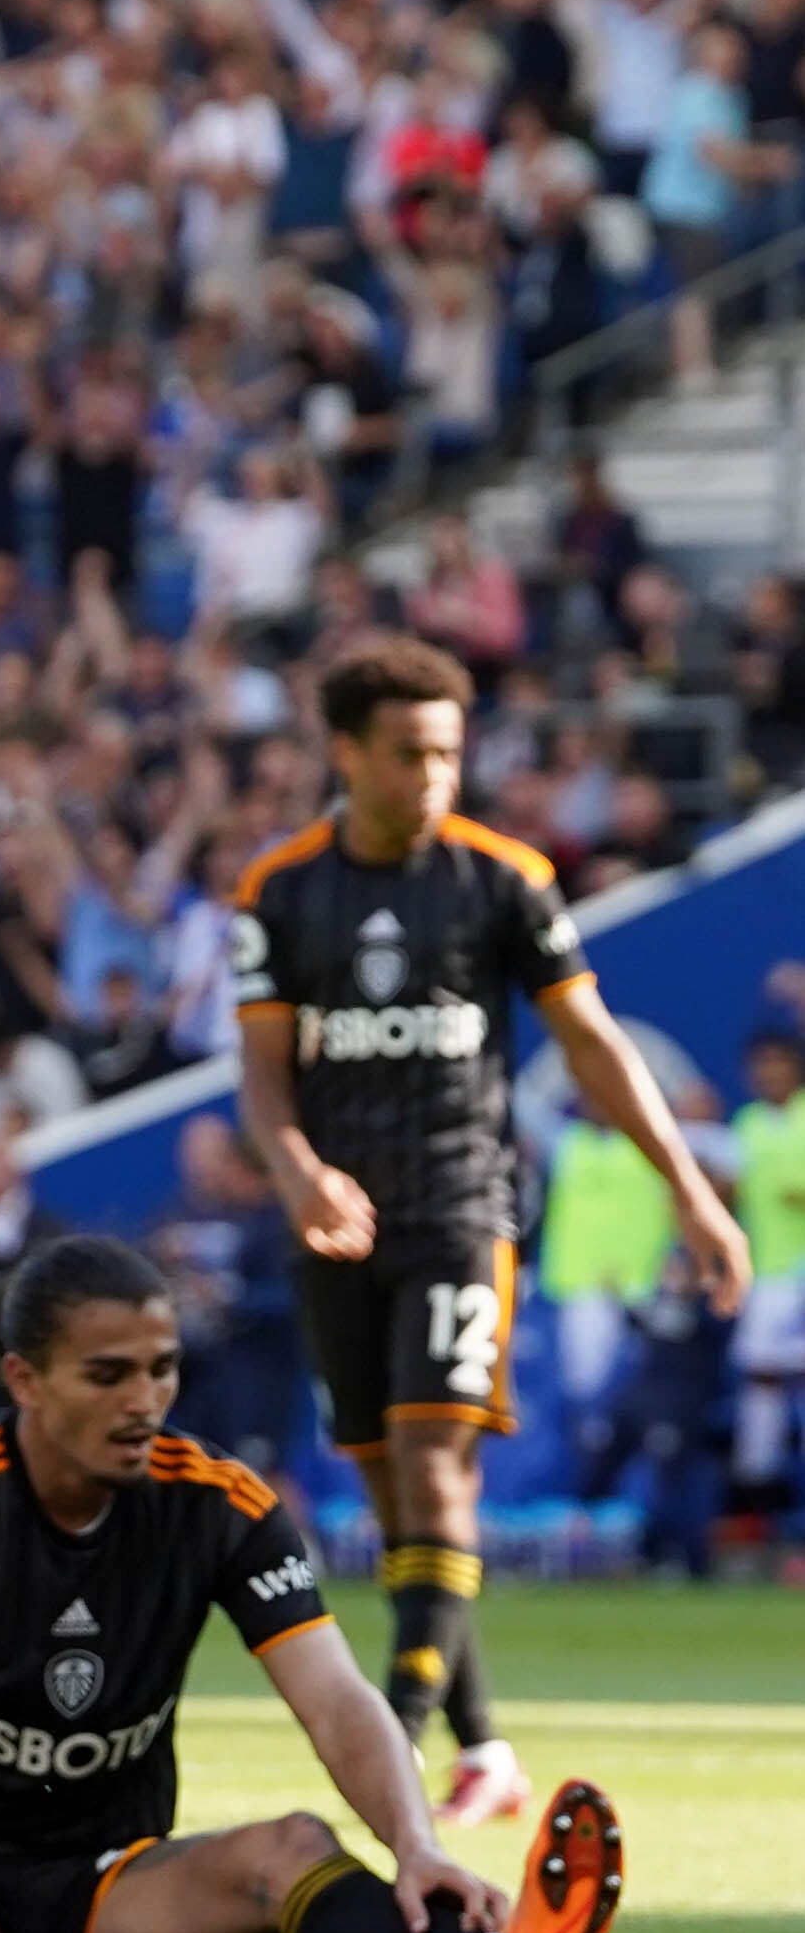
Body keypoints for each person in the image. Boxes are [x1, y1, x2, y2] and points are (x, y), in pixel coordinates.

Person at [0, 1237, 625, 1933]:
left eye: (161, 1369)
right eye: (107, 1375)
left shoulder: (221, 1503)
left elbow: (334, 1701)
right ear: (23, 1378)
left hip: (114, 1895)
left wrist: (416, 1845)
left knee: (293, 1848)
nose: (143, 1400)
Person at [234, 636, 747, 1827]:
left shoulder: (502, 878)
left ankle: (395, 1744)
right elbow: (262, 1074)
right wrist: (298, 1167)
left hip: (463, 1208)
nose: (434, 777)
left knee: (430, 1461)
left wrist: (688, 1185)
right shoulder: (282, 889)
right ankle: (488, 1746)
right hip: (337, 1221)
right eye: (410, 753)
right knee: (390, 1496)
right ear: (346, 753)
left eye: (449, 754)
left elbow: (590, 1041)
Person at [731, 1032, 805, 1505]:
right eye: (762, 1064)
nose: (771, 1073)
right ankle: (759, 1489)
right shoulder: (747, 1124)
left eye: (780, 1063)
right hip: (766, 1275)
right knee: (762, 1378)